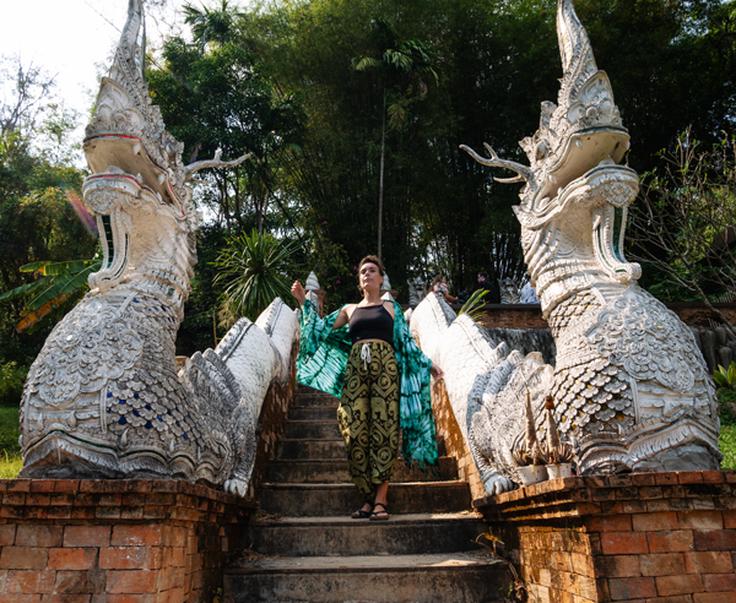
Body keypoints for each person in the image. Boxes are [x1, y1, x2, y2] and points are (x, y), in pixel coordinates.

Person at [291, 255, 442, 521]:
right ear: (359, 280)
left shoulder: (390, 307)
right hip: (356, 375)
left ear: (381, 278)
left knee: (384, 431)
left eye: (372, 271)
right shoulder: (349, 310)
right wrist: (304, 302)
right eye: (363, 272)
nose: (367, 274)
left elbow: (405, 343)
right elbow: (319, 331)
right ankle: (366, 496)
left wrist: (428, 365)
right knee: (356, 432)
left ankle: (381, 500)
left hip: (386, 373)